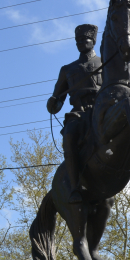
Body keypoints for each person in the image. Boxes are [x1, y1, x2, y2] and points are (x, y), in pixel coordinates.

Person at [46, 24, 102, 204]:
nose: (80, 43)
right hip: (79, 113)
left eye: (84, 39)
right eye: (77, 40)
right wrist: (53, 104)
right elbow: (58, 99)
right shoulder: (67, 69)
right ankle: (75, 187)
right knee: (69, 137)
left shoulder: (105, 62)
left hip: (102, 109)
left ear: (93, 41)